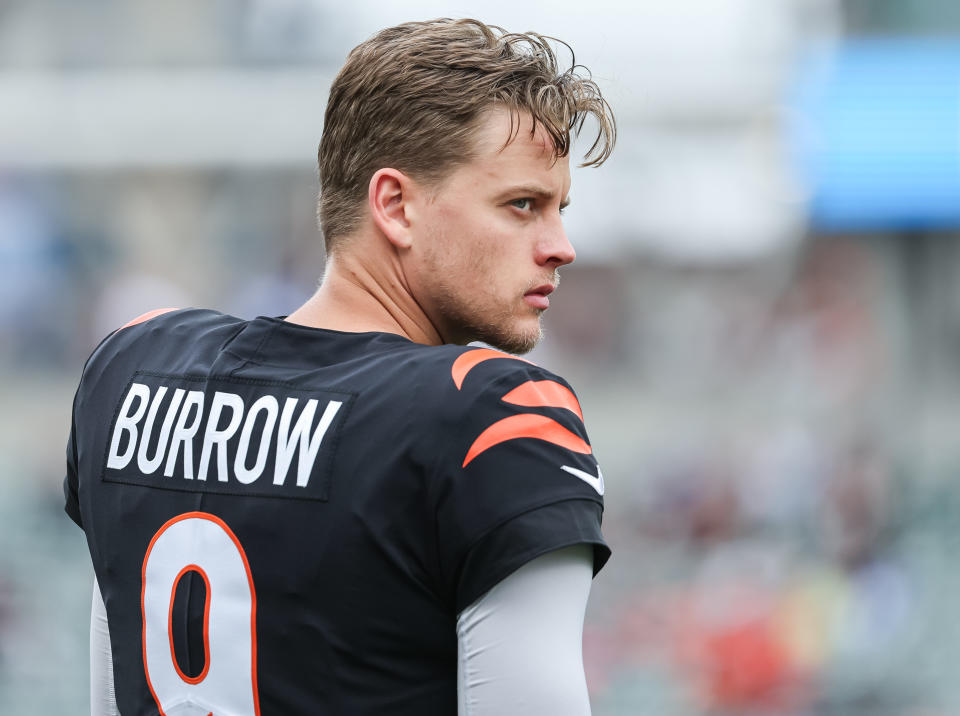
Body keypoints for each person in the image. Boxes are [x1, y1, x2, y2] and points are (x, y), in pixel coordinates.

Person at [65, 18, 616, 715]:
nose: (561, 246)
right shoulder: (488, 410)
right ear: (394, 205)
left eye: (559, 210)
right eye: (522, 206)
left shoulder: (131, 367)